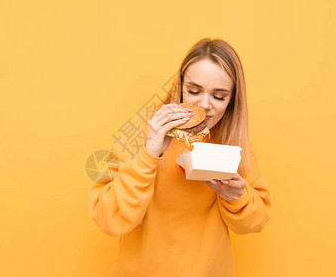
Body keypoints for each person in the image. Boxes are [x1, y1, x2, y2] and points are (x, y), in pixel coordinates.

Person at [88, 38, 272, 277]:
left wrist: (237, 196)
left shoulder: (232, 142)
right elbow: (108, 218)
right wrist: (149, 155)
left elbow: (256, 222)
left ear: (231, 102)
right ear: (179, 86)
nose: (204, 105)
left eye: (219, 96)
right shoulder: (142, 131)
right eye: (194, 91)